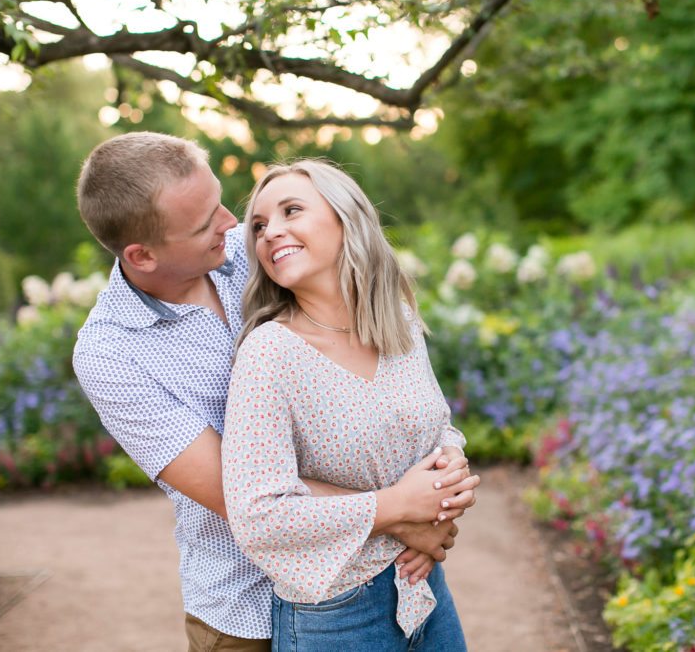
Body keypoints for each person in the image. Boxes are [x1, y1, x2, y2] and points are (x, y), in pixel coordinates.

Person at [72, 133, 466, 652]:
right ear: (143, 255)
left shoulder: (266, 249)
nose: (233, 225)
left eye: (221, 203)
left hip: (386, 577)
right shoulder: (109, 353)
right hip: (245, 608)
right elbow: (240, 493)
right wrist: (402, 514)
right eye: (205, 222)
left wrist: (436, 489)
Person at [221, 159, 479, 652]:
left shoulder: (397, 318)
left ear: (346, 219)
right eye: (258, 226)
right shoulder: (269, 352)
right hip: (335, 613)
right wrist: (400, 510)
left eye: (291, 210)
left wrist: (444, 497)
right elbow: (259, 515)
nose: (270, 232)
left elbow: (439, 428)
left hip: (423, 588)